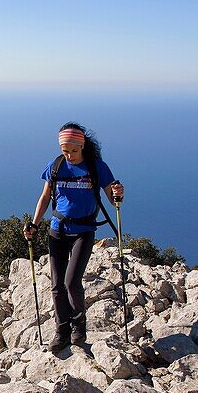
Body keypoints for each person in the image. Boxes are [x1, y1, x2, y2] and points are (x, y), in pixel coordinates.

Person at [22, 123, 124, 352]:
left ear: (82, 145)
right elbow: (45, 197)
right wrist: (34, 224)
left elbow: (113, 198)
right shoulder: (56, 166)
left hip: (84, 232)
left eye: (73, 151)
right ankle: (62, 331)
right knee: (57, 285)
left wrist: (119, 194)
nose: (69, 155)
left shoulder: (97, 167)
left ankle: (79, 327)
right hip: (57, 230)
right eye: (65, 151)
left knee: (71, 282)